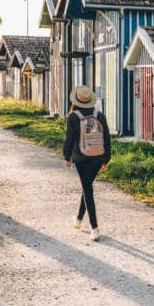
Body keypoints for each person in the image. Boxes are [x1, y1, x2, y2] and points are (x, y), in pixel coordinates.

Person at [63, 85, 111, 241]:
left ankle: (95, 228)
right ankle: (78, 220)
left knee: (87, 190)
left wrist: (67, 157)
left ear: (76, 101)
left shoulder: (73, 117)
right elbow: (107, 139)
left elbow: (69, 141)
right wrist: (106, 159)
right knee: (87, 187)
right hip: (98, 157)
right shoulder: (100, 115)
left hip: (81, 158)